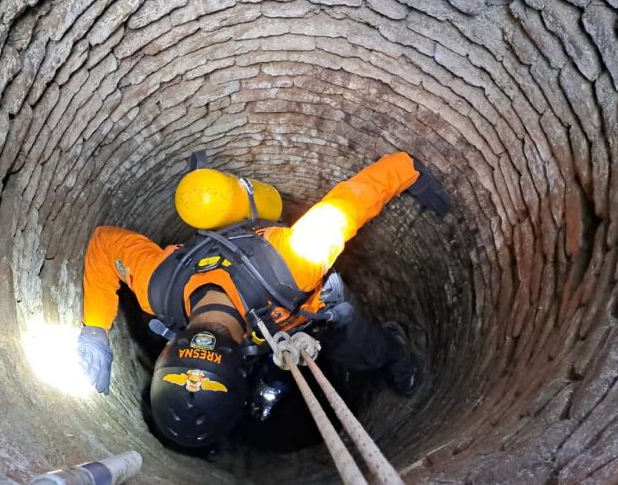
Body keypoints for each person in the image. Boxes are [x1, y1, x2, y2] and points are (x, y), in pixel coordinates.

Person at [76, 152, 450, 448]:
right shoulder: (155, 287)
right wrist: (94, 327)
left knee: (362, 348)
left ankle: (392, 352)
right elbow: (104, 244)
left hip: (309, 314)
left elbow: (351, 203)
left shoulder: (295, 260)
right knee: (269, 368)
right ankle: (270, 383)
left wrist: (406, 169)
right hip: (259, 331)